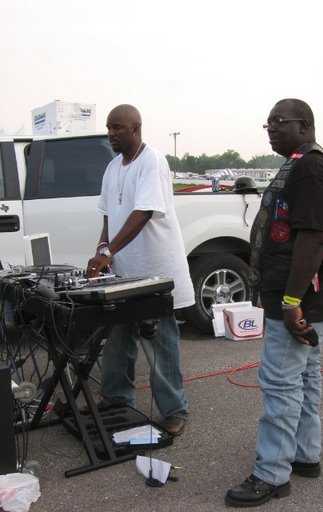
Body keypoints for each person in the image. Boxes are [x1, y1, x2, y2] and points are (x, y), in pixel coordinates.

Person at [225, 98, 323, 507]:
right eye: (266, 123)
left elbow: (314, 237)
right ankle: (305, 454)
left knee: (281, 380)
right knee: (304, 376)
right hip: (306, 297)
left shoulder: (310, 168)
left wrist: (289, 302)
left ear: (304, 125)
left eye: (278, 122)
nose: (270, 128)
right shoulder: (301, 161)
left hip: (300, 298)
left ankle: (272, 474)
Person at [86, 104, 195, 436]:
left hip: (155, 270)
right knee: (119, 335)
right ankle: (117, 396)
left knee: (160, 340)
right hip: (124, 270)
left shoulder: (153, 161)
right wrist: (102, 251)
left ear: (136, 129)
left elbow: (144, 211)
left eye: (117, 127)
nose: (111, 134)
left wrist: (110, 250)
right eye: (108, 127)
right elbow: (108, 214)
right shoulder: (112, 167)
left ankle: (175, 410)